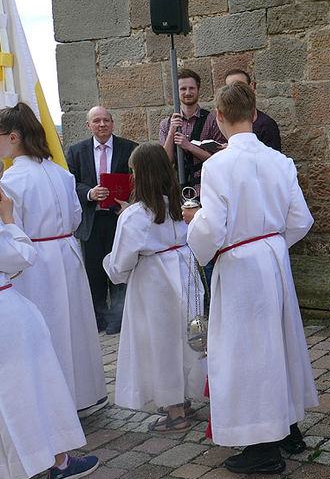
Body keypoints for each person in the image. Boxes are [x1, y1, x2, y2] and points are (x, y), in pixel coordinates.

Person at [185, 81, 318, 472]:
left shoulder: (217, 165)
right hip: (273, 260)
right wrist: (272, 244)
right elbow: (301, 220)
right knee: (279, 344)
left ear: (219, 118)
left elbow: (211, 228)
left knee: (246, 354)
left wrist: (193, 227)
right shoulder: (280, 161)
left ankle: (262, 448)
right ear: (255, 114)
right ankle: (289, 427)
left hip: (241, 267)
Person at [0, 103, 107, 418]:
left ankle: (55, 404)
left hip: (34, 262)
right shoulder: (60, 173)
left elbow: (11, 229)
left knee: (48, 331)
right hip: (65, 251)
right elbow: (75, 216)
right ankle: (85, 394)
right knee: (74, 327)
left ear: (15, 137)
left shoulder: (10, 181)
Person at [0, 187, 100, 479]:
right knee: (33, 385)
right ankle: (58, 462)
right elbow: (22, 256)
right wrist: (9, 219)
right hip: (6, 313)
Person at [103, 143, 206, 434]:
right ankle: (184, 398)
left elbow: (122, 264)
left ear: (140, 175)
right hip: (184, 274)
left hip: (154, 283)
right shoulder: (180, 205)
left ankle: (174, 412)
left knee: (161, 344)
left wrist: (108, 264)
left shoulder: (135, 215)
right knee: (186, 336)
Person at [65, 105, 138, 334]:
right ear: (88, 125)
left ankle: (119, 319)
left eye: (106, 120)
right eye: (96, 121)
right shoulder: (76, 151)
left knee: (120, 266)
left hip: (119, 219)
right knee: (94, 271)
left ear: (112, 123)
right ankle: (98, 318)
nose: (102, 124)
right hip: (92, 221)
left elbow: (137, 180)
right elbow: (70, 184)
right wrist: (89, 193)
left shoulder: (129, 148)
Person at [159, 68, 221, 193]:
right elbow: (165, 162)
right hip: (176, 190)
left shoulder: (212, 120)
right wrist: (171, 132)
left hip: (205, 188)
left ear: (198, 90)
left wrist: (189, 146)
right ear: (176, 92)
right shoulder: (166, 124)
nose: (188, 92)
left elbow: (219, 159)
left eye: (191, 88)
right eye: (183, 89)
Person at [204, 69, 282, 151]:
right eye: (230, 88)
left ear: (251, 87)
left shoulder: (266, 124)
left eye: (240, 87)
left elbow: (271, 156)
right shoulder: (222, 122)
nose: (235, 93)